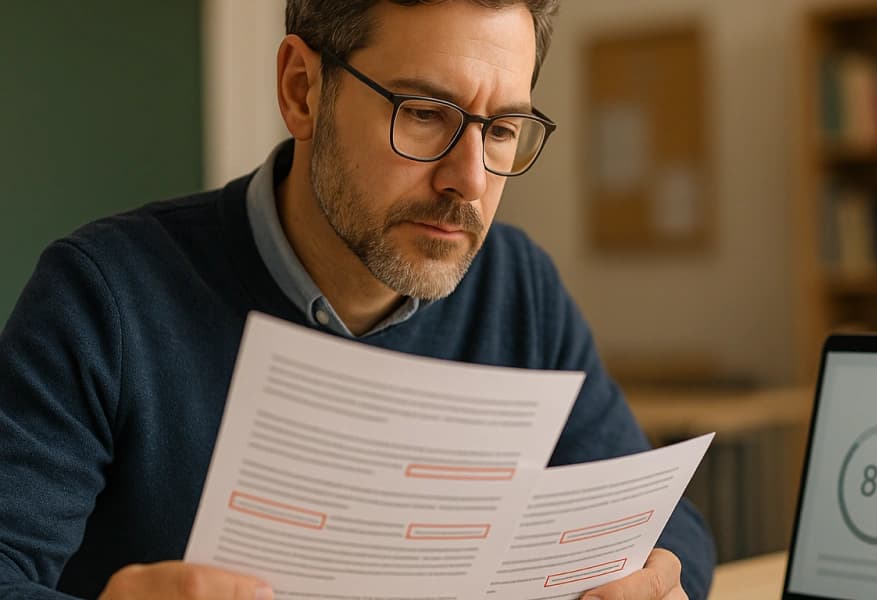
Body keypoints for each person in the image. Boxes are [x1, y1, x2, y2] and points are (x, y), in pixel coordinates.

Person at [0, 1, 716, 598]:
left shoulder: (517, 287)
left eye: (501, 130)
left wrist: (654, 576)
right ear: (302, 91)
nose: (469, 180)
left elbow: (661, 525)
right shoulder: (103, 298)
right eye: (425, 113)